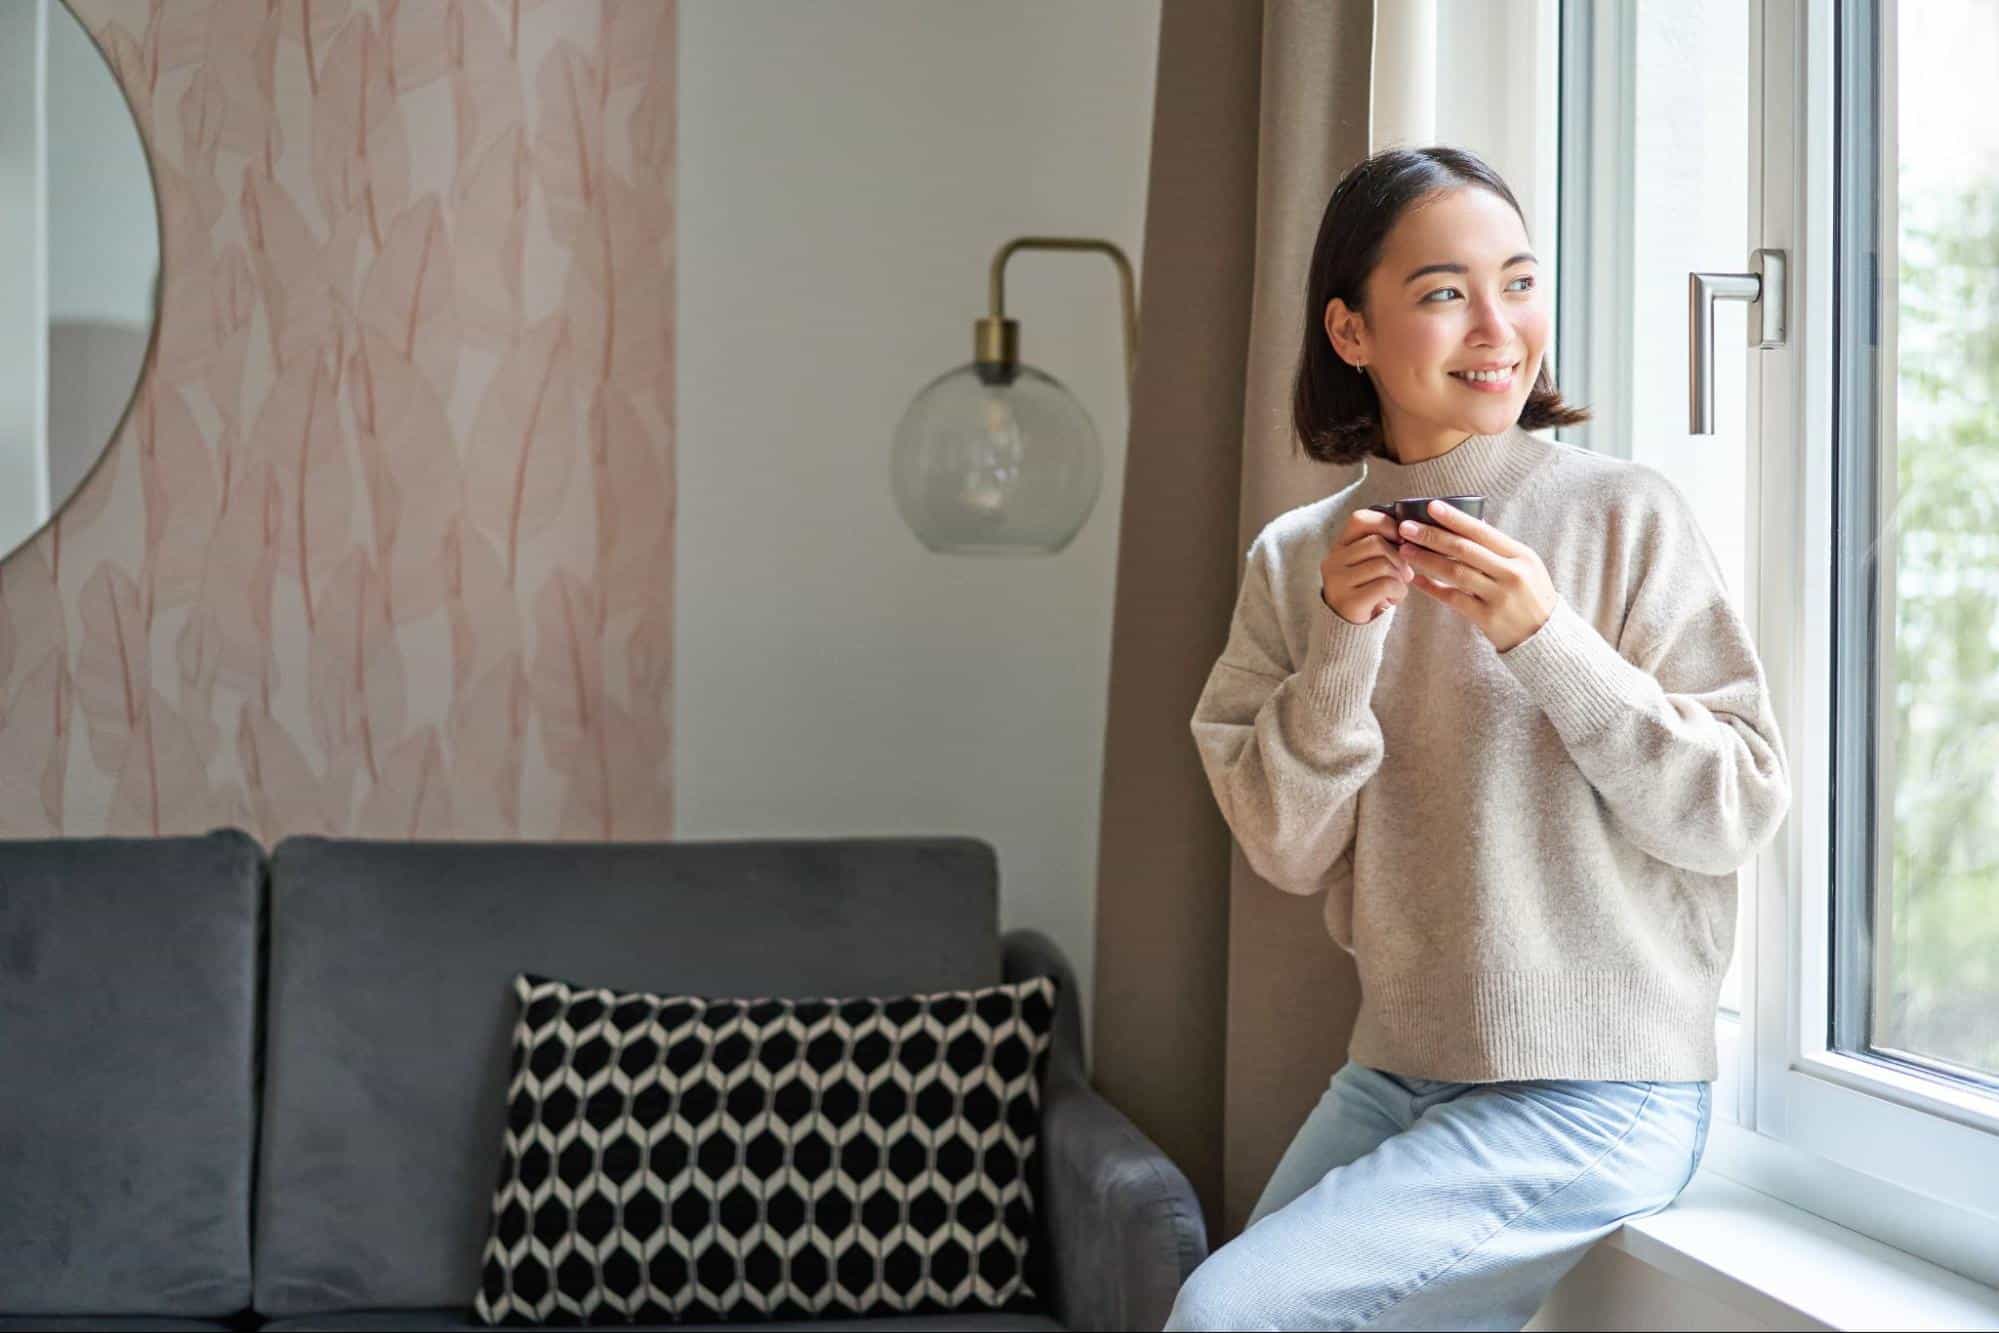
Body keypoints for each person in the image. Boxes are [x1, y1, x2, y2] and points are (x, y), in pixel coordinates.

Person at [1164, 145, 1793, 1331]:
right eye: (1445, 291)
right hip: (1393, 1070)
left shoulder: (1625, 511)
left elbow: (1735, 809)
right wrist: (1345, 636)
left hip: (1594, 1089)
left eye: (1519, 281)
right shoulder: (1296, 558)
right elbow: (1287, 851)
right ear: (1350, 332)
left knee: (1224, 1316)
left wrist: (1543, 634)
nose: (1498, 327)